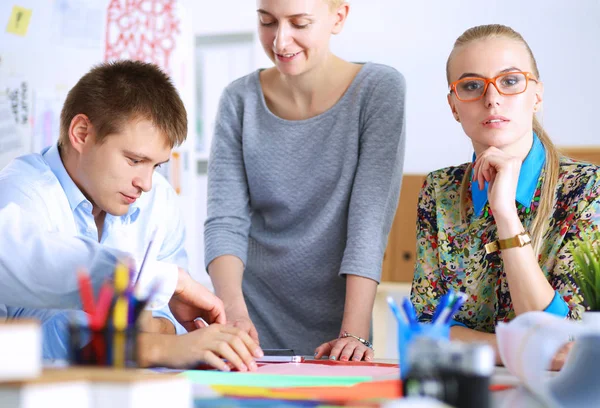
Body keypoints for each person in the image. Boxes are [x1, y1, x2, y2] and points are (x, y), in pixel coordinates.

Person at [0, 60, 262, 371]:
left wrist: (156, 331)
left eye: (156, 165)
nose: (146, 183)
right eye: (135, 160)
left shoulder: (158, 199)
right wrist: (153, 345)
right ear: (81, 133)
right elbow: (29, 334)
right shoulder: (20, 196)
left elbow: (169, 319)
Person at [205, 0, 406, 361]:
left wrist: (354, 332)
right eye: (267, 22)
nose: (281, 42)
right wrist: (233, 315)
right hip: (249, 324)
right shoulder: (239, 100)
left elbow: (368, 222)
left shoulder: (379, 90)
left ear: (338, 17)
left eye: (299, 23)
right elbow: (225, 221)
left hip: (342, 327)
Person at [410, 24, 600, 369]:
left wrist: (505, 214)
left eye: (510, 81)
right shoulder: (440, 190)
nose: (492, 98)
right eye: (471, 86)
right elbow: (424, 329)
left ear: (537, 95)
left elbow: (569, 340)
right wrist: (521, 350)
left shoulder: (588, 189)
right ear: (454, 107)